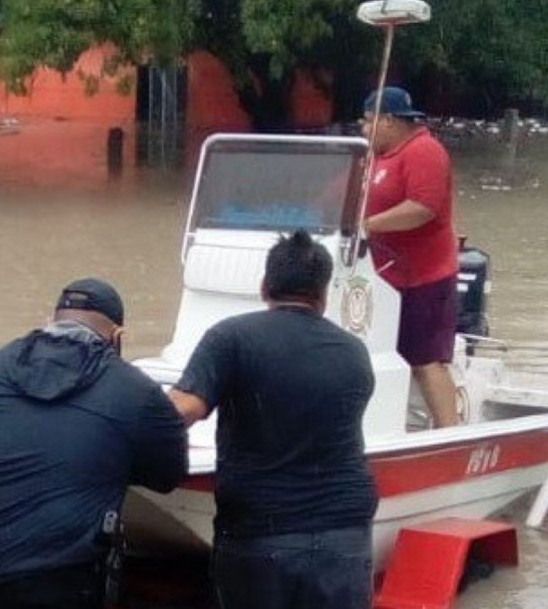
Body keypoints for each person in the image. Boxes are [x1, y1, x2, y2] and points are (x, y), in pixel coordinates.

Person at [0, 278, 187, 609]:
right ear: (118, 337)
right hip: (56, 581)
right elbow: (167, 476)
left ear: (50, 321)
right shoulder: (135, 390)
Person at [168, 230, 378, 609]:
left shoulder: (231, 338)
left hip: (260, 535)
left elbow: (181, 411)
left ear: (265, 286)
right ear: (323, 294)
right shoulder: (354, 352)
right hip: (344, 537)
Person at [361, 86, 460, 427]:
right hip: (383, 275)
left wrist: (367, 224)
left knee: (425, 359)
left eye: (367, 121)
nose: (363, 128)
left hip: (424, 275)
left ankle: (450, 432)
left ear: (388, 121)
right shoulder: (374, 157)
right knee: (383, 354)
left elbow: (423, 208)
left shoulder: (424, 151)